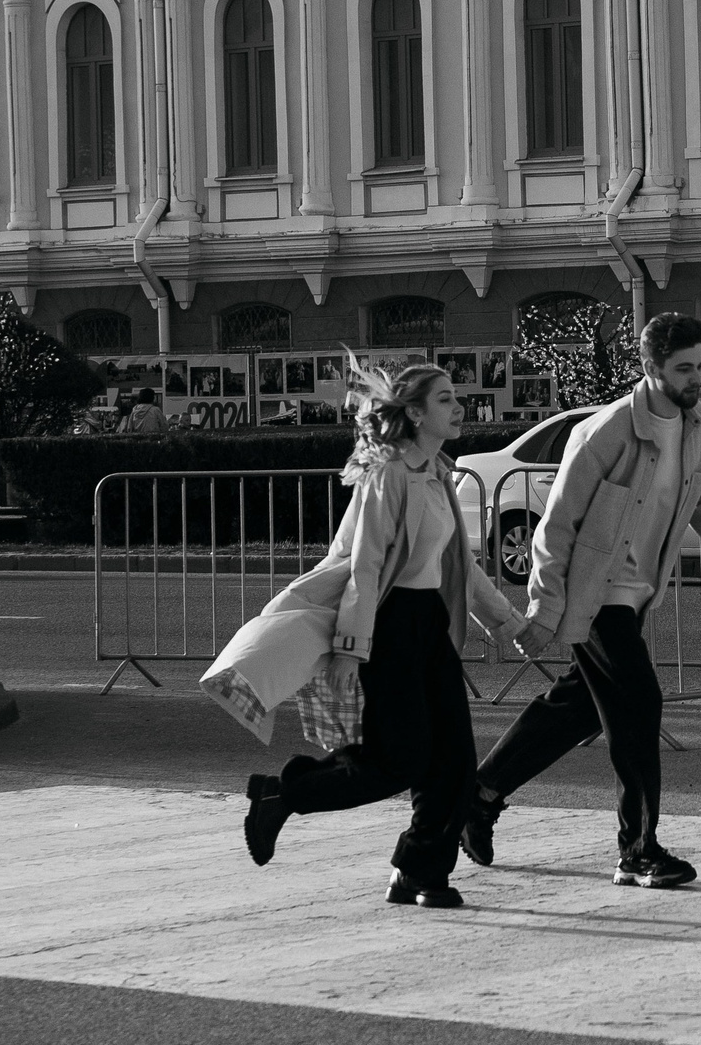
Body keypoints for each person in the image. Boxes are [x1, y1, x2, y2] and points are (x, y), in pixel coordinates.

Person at [463, 313, 701, 890]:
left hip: (637, 593)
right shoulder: (605, 432)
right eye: (685, 368)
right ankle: (638, 849)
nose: (699, 378)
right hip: (596, 597)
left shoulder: (698, 424)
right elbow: (556, 526)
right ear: (650, 369)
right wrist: (545, 611)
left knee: (578, 707)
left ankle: (480, 793)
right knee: (638, 704)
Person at [220, 363, 525, 907]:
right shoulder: (389, 474)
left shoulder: (436, 470)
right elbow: (365, 567)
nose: (460, 408)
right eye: (446, 400)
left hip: (429, 621)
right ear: (414, 412)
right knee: (399, 759)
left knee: (453, 762)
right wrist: (350, 647)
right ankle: (284, 793)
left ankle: (421, 873)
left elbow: (458, 562)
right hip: (388, 624)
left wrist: (504, 619)